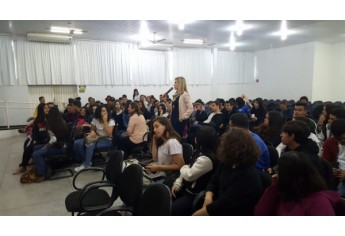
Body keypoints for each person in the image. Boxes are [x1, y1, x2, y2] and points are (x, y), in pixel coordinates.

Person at [192, 127, 263, 216]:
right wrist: (208, 197)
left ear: (234, 148)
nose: (221, 145)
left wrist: (197, 214)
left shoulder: (247, 176)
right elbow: (214, 180)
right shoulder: (228, 162)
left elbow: (225, 204)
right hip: (217, 205)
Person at [255, 151, 340, 216]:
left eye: (279, 170)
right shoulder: (283, 193)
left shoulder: (319, 203)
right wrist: (274, 186)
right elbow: (260, 213)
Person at [171, 126, 219, 216]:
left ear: (201, 139)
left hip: (193, 195)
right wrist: (178, 183)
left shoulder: (207, 159)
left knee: (171, 211)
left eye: (196, 136)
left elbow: (189, 175)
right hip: (185, 188)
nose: (194, 138)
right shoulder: (199, 151)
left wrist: (182, 168)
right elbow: (187, 168)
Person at [22, 107, 68, 183]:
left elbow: (53, 139)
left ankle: (43, 174)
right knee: (36, 147)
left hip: (59, 148)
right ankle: (45, 168)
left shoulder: (51, 124)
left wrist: (46, 146)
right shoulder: (62, 122)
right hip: (63, 146)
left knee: (36, 154)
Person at [73, 105, 115, 171]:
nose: (103, 112)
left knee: (90, 144)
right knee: (77, 143)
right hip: (96, 138)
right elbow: (92, 129)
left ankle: (87, 165)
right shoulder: (95, 119)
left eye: (104, 111)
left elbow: (109, 134)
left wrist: (105, 121)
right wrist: (92, 132)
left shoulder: (111, 121)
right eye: (101, 111)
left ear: (107, 112)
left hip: (106, 140)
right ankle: (85, 161)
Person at [13, 103, 49, 174]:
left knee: (29, 146)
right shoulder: (37, 120)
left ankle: (23, 166)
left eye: (47, 107)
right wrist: (34, 139)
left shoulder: (50, 118)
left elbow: (49, 132)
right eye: (45, 108)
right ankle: (27, 161)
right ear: (41, 110)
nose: (47, 109)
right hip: (40, 139)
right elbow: (35, 132)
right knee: (28, 141)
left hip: (47, 140)